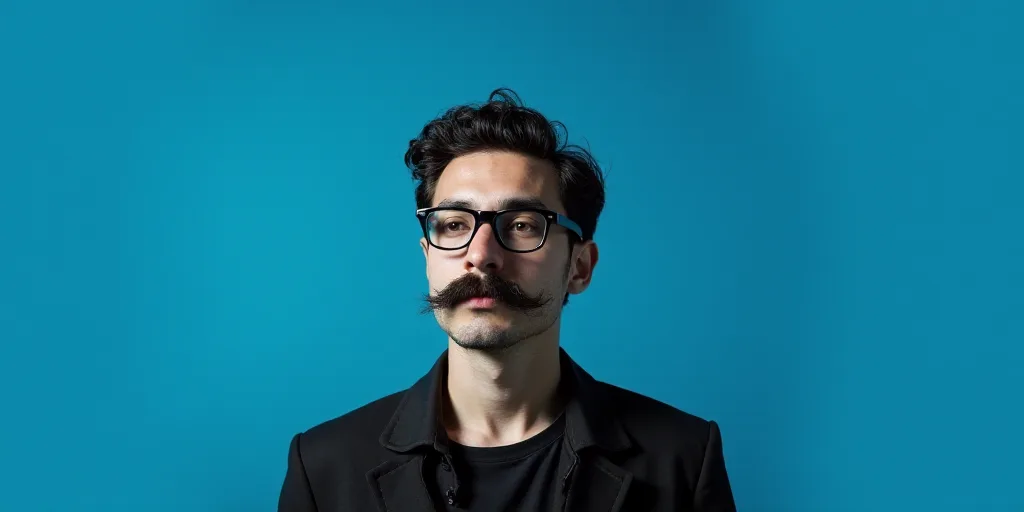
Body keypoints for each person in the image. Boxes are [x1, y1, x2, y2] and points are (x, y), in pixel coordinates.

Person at [277, 89, 737, 511]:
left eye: (522, 224)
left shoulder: (684, 458)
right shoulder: (323, 468)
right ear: (427, 256)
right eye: (454, 224)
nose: (480, 255)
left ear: (580, 267)